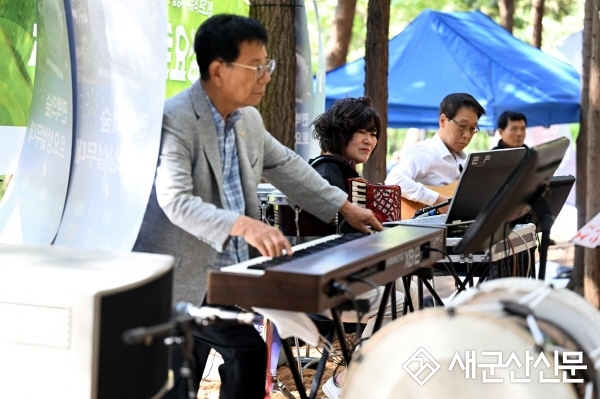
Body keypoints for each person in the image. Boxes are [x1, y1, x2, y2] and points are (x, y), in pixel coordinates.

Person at [132, 14, 383, 399]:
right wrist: (248, 227)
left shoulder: (248, 119)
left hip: (222, 274)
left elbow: (287, 166)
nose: (266, 75)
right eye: (257, 66)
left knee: (242, 355)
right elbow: (176, 201)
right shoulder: (177, 119)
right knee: (185, 373)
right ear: (218, 70)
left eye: (268, 65)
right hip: (177, 274)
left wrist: (344, 207)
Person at [309, 96, 415, 399]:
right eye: (363, 132)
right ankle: (347, 379)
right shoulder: (328, 170)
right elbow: (332, 234)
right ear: (341, 132)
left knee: (403, 295)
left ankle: (363, 377)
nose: (371, 140)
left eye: (375, 134)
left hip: (340, 279)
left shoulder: (347, 172)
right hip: (324, 286)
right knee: (399, 303)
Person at [385, 93, 486, 213]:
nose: (467, 135)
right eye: (462, 126)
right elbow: (394, 180)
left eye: (472, 128)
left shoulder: (463, 162)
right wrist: (437, 201)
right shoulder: (425, 151)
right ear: (443, 121)